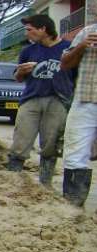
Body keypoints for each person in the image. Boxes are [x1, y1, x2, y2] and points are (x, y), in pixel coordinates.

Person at [7, 15, 75, 188]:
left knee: (50, 143)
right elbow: (18, 78)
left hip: (59, 100)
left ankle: (45, 184)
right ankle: (12, 182)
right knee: (21, 140)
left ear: (43, 29)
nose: (27, 33)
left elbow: (76, 76)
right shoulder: (28, 51)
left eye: (30, 29)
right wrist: (22, 71)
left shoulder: (68, 48)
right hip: (31, 99)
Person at [60, 23, 97, 207]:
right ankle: (73, 205)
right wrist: (81, 46)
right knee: (75, 152)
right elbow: (65, 64)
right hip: (86, 99)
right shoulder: (87, 32)